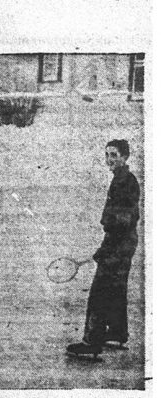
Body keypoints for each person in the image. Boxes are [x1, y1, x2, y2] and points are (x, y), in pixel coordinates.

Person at [67, 139, 140, 358]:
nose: (110, 160)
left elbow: (123, 220)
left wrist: (104, 251)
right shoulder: (122, 179)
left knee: (99, 292)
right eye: (107, 155)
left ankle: (92, 342)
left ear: (125, 157)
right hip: (124, 243)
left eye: (115, 155)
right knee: (116, 290)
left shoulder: (125, 182)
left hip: (119, 244)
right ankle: (117, 332)